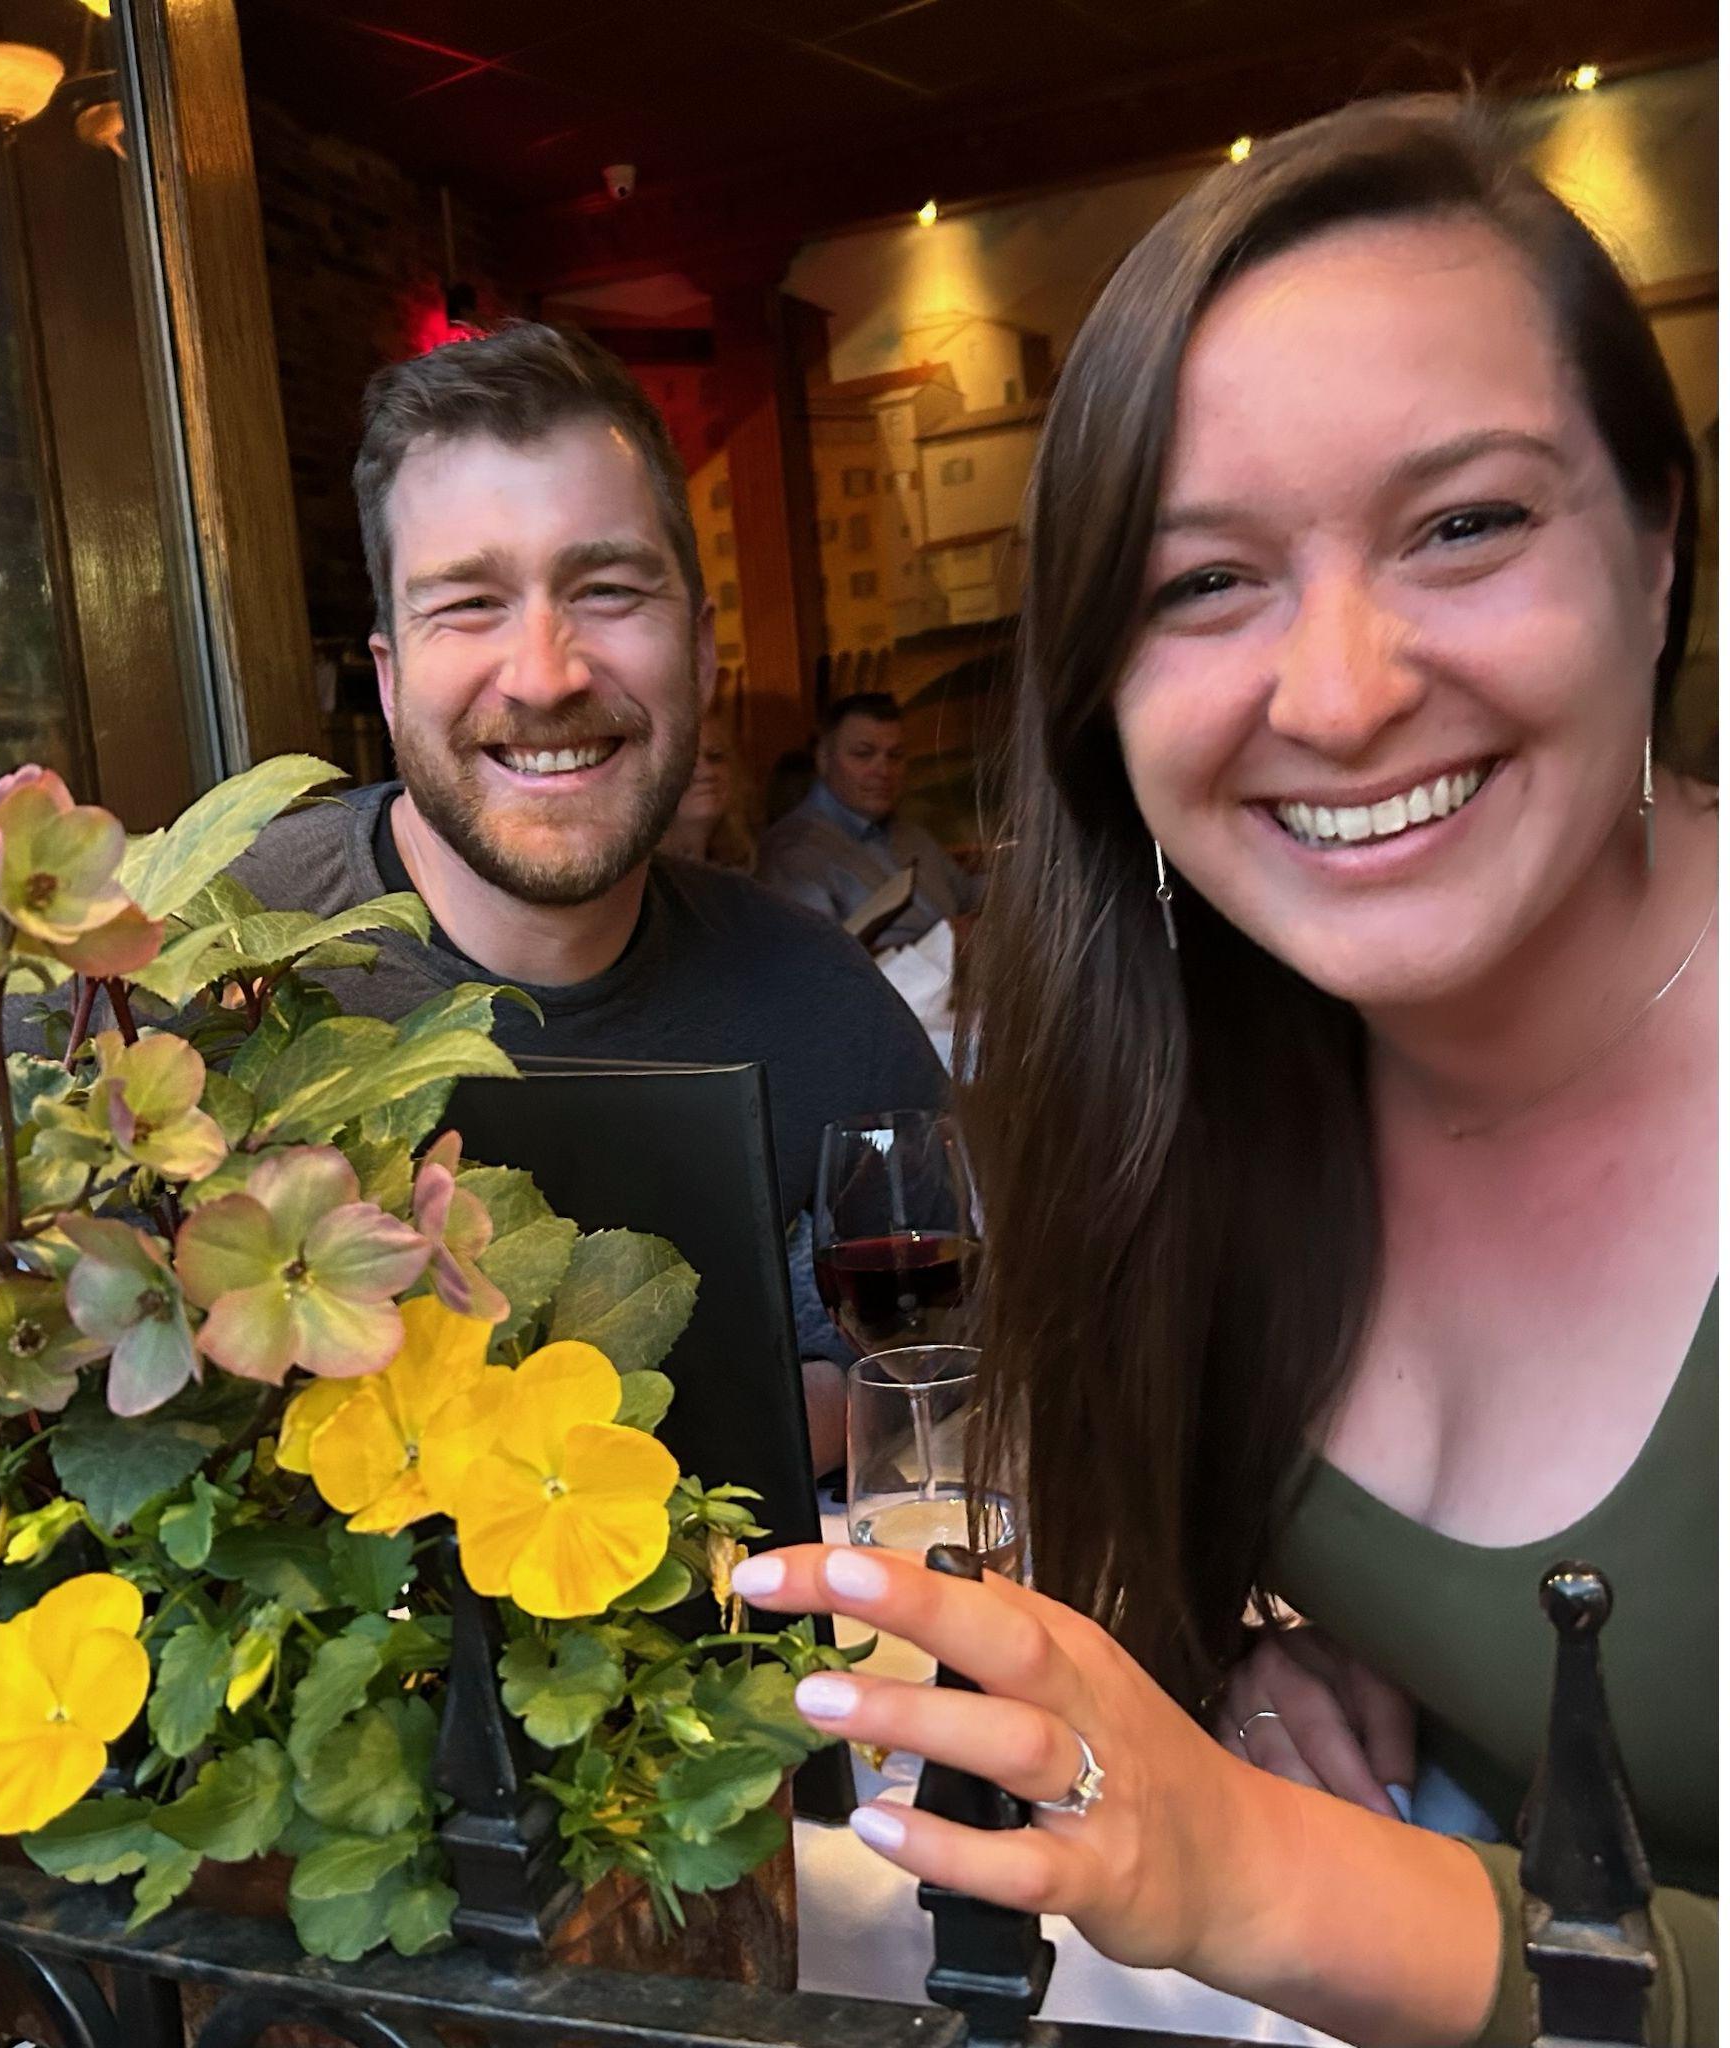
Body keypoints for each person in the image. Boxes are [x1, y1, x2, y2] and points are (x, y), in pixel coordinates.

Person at [729, 96, 1715, 2047]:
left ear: (1657, 546)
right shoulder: (1205, 1076)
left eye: (1464, 524)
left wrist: (1269, 1871)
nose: (1340, 694)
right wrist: (1269, 1649)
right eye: (1203, 582)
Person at [231, 323, 947, 1471]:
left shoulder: (826, 1014)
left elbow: (935, 1392)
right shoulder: (193, 972)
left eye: (606, 589)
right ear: (387, 673)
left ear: (703, 651)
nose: (545, 671)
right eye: (466, 604)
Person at [756, 692, 984, 948]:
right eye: (863, 754)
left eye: (895, 756)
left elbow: (972, 897)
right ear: (823, 758)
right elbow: (817, 966)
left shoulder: (914, 837)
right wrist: (939, 945)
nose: (883, 771)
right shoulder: (794, 851)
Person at [658, 707, 756, 869]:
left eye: (715, 757)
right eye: (688, 761)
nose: (707, 772)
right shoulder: (641, 878)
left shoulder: (736, 862)